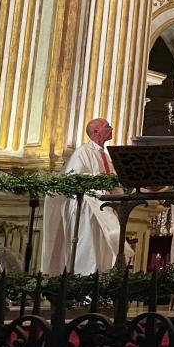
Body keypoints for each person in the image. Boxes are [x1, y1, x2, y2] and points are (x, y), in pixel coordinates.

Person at [39, 118, 123, 275]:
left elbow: (113, 181)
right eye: (107, 127)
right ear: (95, 132)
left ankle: (101, 283)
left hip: (104, 208)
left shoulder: (106, 155)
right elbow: (75, 179)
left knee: (103, 249)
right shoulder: (82, 152)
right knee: (88, 248)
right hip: (86, 210)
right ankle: (85, 285)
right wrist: (100, 182)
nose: (111, 129)